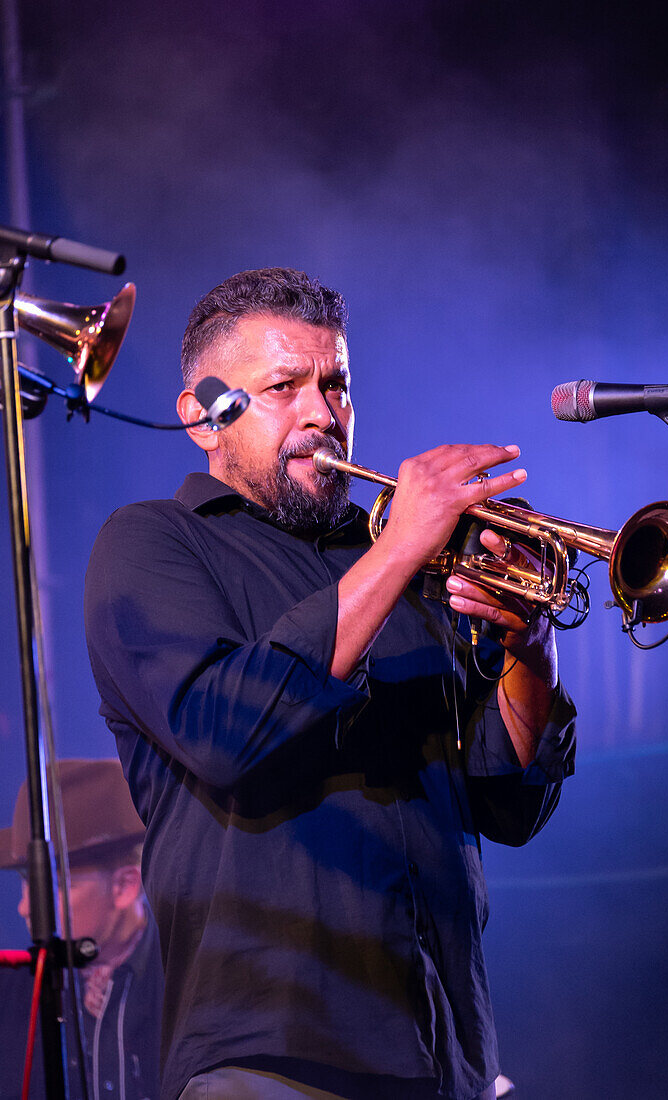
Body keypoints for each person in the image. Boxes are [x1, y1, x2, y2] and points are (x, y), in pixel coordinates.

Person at [84, 268, 576, 1100]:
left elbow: (509, 801)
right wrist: (397, 554)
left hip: (446, 1056)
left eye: (336, 385)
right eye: (284, 387)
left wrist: (528, 642)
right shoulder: (152, 544)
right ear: (202, 414)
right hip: (271, 1058)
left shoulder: (398, 566)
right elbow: (227, 735)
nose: (323, 414)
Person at [0, 758, 164, 1100]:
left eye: (54, 885)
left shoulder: (187, 982)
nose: (25, 908)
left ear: (124, 887)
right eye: (26, 882)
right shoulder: (14, 990)